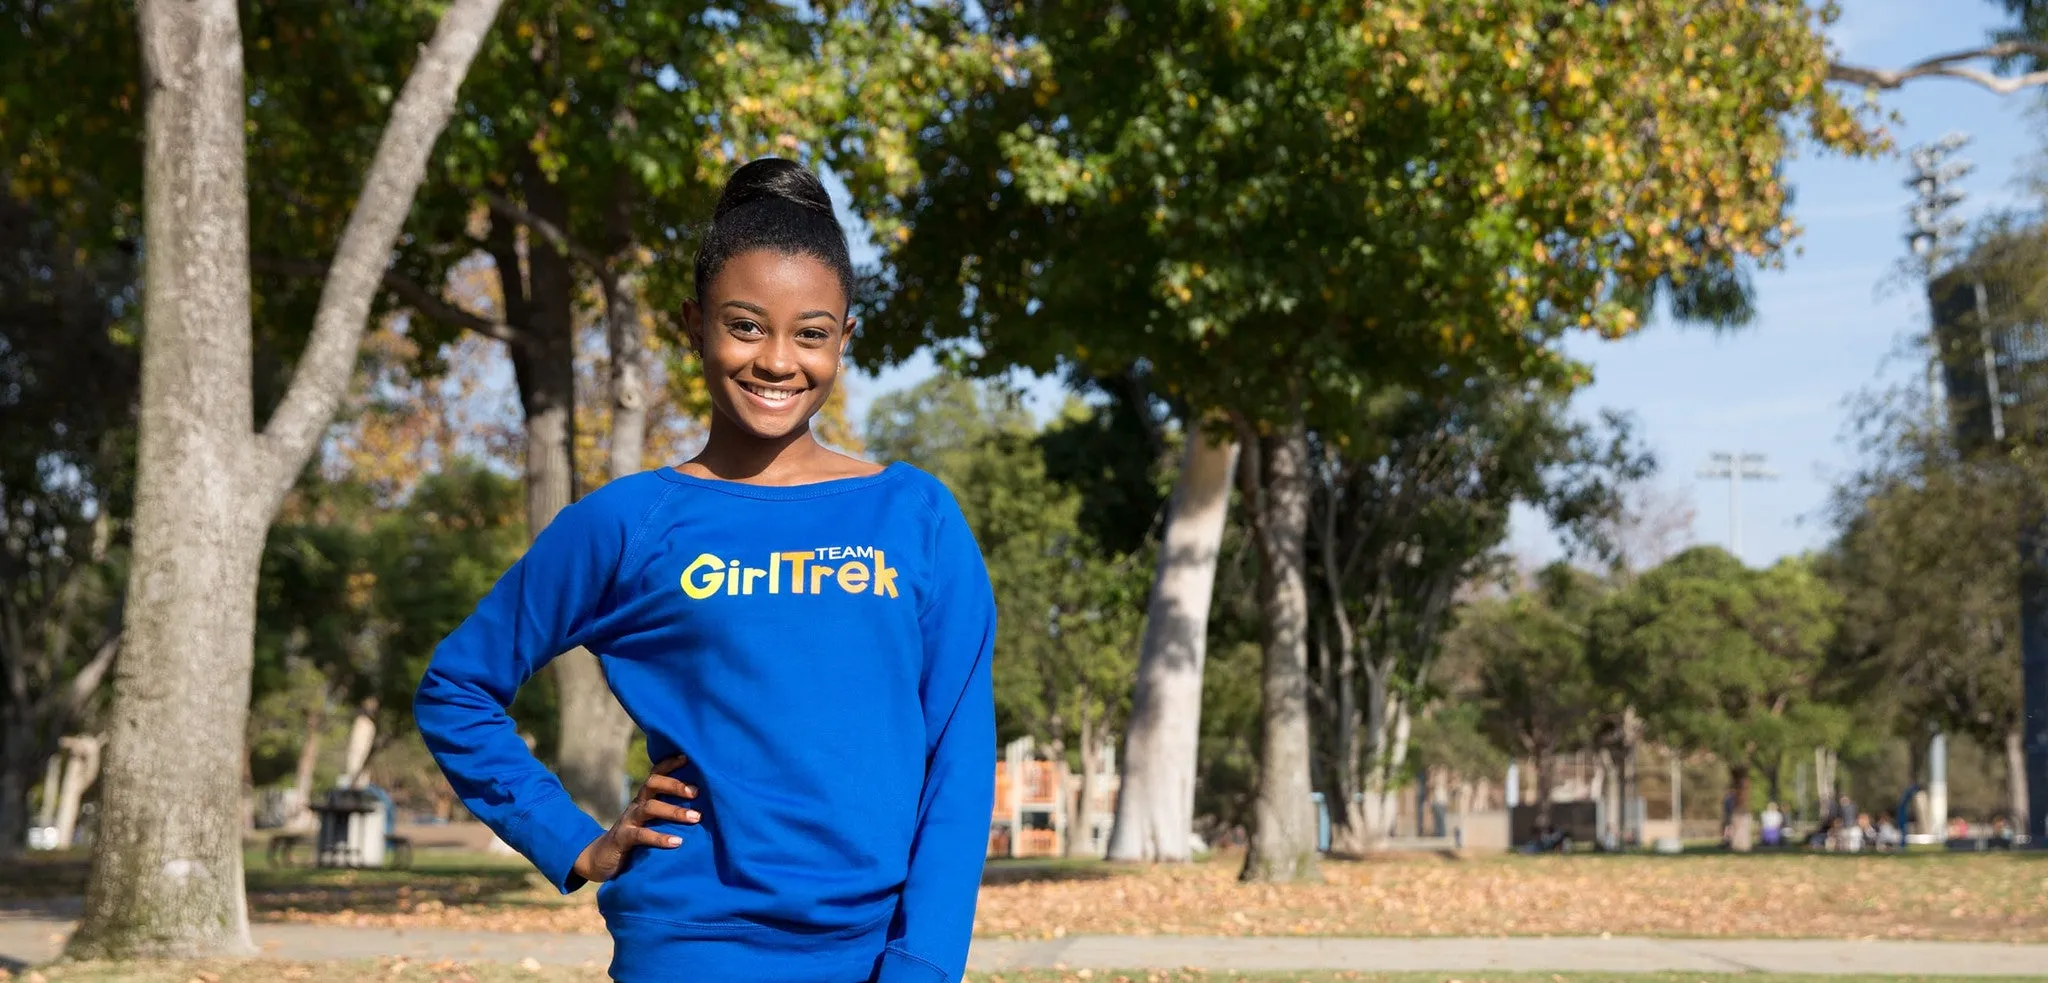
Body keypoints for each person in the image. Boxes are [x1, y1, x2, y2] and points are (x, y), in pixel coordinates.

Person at [414, 158, 998, 983]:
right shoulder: (626, 523)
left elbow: (959, 760)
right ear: (694, 325)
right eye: (746, 325)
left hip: (873, 955)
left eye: (811, 333)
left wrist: (922, 964)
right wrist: (574, 838)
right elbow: (456, 688)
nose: (778, 361)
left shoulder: (916, 516)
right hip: (687, 950)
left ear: (844, 340)